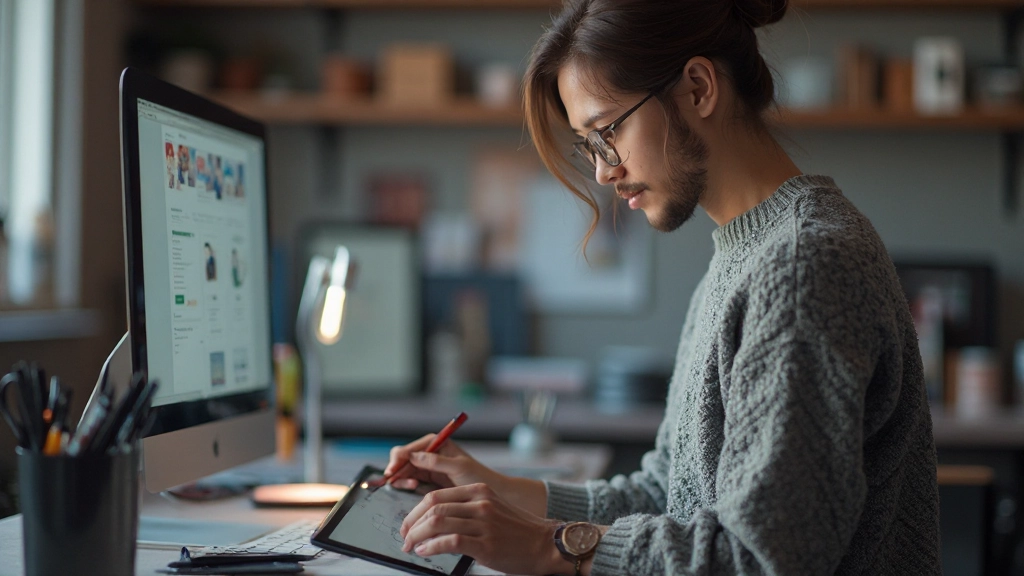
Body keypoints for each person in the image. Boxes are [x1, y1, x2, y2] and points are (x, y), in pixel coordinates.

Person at [386, 0, 940, 575]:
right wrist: (498, 490)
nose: (602, 170)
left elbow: (761, 559)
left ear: (698, 87)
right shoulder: (744, 256)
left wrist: (541, 545)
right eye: (589, 145)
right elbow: (669, 493)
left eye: (608, 131)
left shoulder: (803, 266)